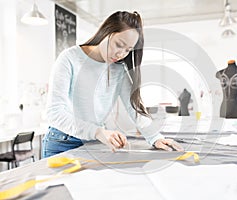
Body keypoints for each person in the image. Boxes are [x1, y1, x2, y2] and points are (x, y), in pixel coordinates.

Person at [42, 11, 183, 158]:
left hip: (93, 142)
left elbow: (133, 108)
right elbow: (54, 113)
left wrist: (155, 138)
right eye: (119, 45)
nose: (121, 54)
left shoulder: (118, 69)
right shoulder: (70, 58)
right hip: (62, 142)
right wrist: (98, 132)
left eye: (128, 50)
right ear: (105, 32)